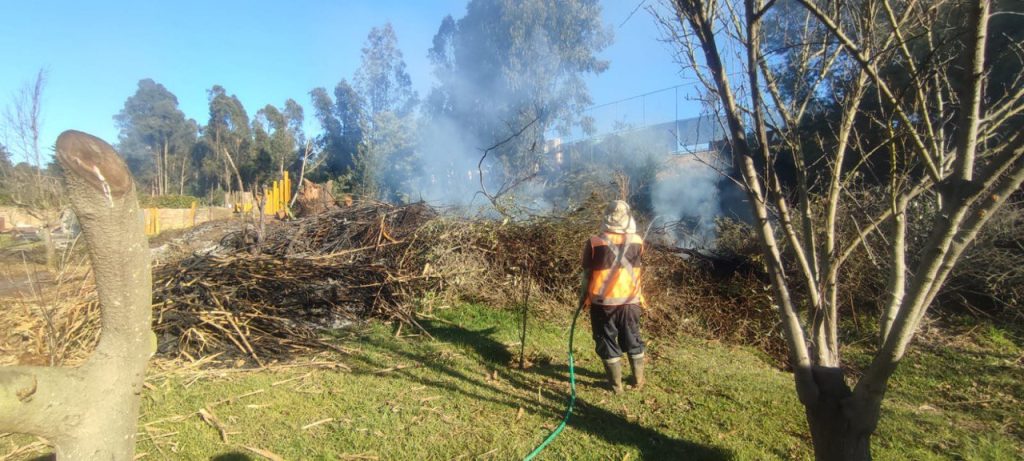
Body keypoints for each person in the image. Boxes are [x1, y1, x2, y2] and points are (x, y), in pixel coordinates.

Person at [580, 200, 646, 394]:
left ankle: (616, 387)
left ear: (607, 216)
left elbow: (586, 275)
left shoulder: (594, 242)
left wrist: (582, 298)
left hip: (603, 304)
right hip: (630, 302)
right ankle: (638, 381)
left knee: (606, 341)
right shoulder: (637, 241)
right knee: (632, 338)